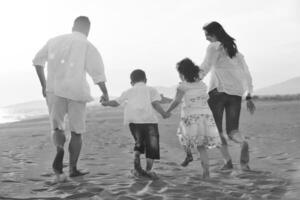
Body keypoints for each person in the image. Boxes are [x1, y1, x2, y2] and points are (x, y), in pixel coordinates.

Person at [33, 16, 109, 181]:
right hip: (77, 91)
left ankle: (60, 148)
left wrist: (43, 84)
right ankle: (73, 168)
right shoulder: (87, 45)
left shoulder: (54, 40)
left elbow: (37, 61)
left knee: (57, 128)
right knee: (77, 132)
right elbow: (97, 72)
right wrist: (105, 92)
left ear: (73, 26)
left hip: (54, 90)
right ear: (88, 30)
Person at [199, 21, 255, 171]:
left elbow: (205, 67)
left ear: (214, 34)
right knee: (233, 131)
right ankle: (243, 143)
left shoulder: (214, 47)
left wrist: (192, 80)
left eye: (207, 35)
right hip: (236, 94)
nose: (206, 38)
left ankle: (228, 162)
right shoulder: (236, 53)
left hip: (218, 92)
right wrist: (248, 95)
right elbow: (247, 74)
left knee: (217, 131)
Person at [101, 69, 169, 178]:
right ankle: (148, 170)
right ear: (145, 80)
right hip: (150, 122)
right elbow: (155, 104)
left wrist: (105, 103)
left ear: (131, 82)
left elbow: (116, 103)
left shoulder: (129, 91)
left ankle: (137, 155)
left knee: (139, 142)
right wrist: (164, 114)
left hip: (134, 122)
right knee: (152, 146)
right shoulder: (151, 89)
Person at [166, 58, 221, 178]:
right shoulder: (202, 85)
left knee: (183, 136)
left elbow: (176, 101)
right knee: (201, 146)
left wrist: (167, 111)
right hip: (205, 116)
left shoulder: (183, 86)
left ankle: (188, 154)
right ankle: (206, 173)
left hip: (190, 117)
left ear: (182, 73)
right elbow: (204, 98)